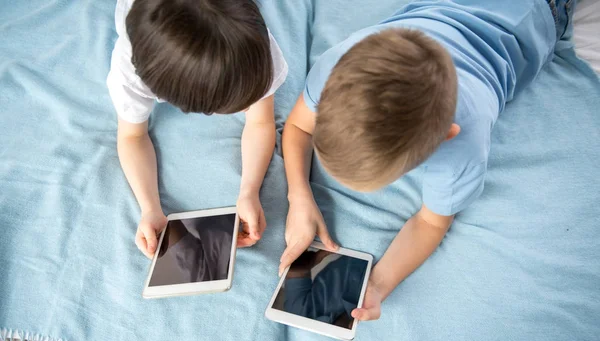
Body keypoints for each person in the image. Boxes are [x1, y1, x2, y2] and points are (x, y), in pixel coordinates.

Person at [279, 0, 575, 321]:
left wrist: (379, 283)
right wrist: (299, 195)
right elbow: (297, 127)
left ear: (447, 135)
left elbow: (431, 222)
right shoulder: (337, 64)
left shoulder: (464, 145)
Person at [107, 0, 288, 258]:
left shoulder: (250, 44)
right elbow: (131, 135)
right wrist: (149, 208)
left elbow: (261, 120)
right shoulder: (130, 70)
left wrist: (249, 190)